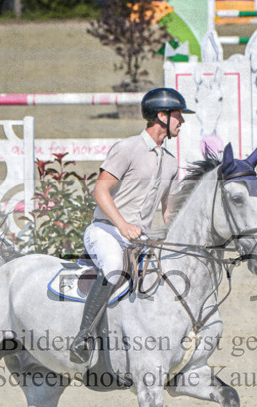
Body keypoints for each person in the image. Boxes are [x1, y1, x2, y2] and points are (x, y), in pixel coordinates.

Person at [69, 87, 194, 364]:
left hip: (140, 238)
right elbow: (100, 191)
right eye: (178, 115)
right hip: (107, 230)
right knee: (114, 269)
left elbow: (169, 209)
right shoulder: (128, 148)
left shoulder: (171, 163)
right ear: (161, 116)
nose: (181, 121)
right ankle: (83, 337)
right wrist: (123, 225)